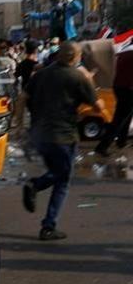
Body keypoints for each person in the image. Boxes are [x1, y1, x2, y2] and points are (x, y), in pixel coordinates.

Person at [20, 42, 104, 240]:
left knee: (57, 173)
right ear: (75, 57)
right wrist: (90, 82)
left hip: (40, 135)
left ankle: (37, 190)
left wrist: (18, 126)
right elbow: (98, 107)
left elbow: (22, 97)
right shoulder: (77, 77)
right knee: (63, 179)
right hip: (63, 136)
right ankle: (47, 223)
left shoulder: (40, 74)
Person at [96, 46, 133, 157]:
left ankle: (122, 141)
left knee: (127, 114)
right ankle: (102, 146)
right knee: (121, 117)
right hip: (129, 88)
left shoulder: (124, 52)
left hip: (119, 87)